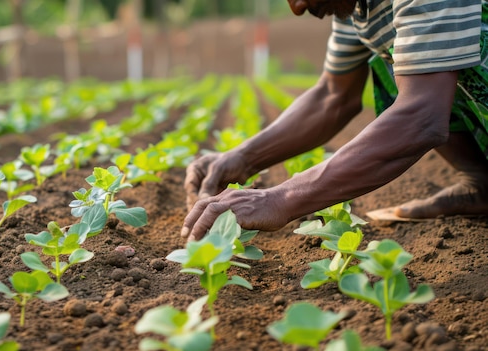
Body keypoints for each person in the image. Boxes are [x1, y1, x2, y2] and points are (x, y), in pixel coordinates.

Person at [181, 0, 488, 242]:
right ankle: (481, 183)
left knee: (424, 74)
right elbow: (333, 97)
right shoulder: (355, 6)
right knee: (412, 59)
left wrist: (280, 198)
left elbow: (421, 115)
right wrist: (243, 158)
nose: (297, 6)